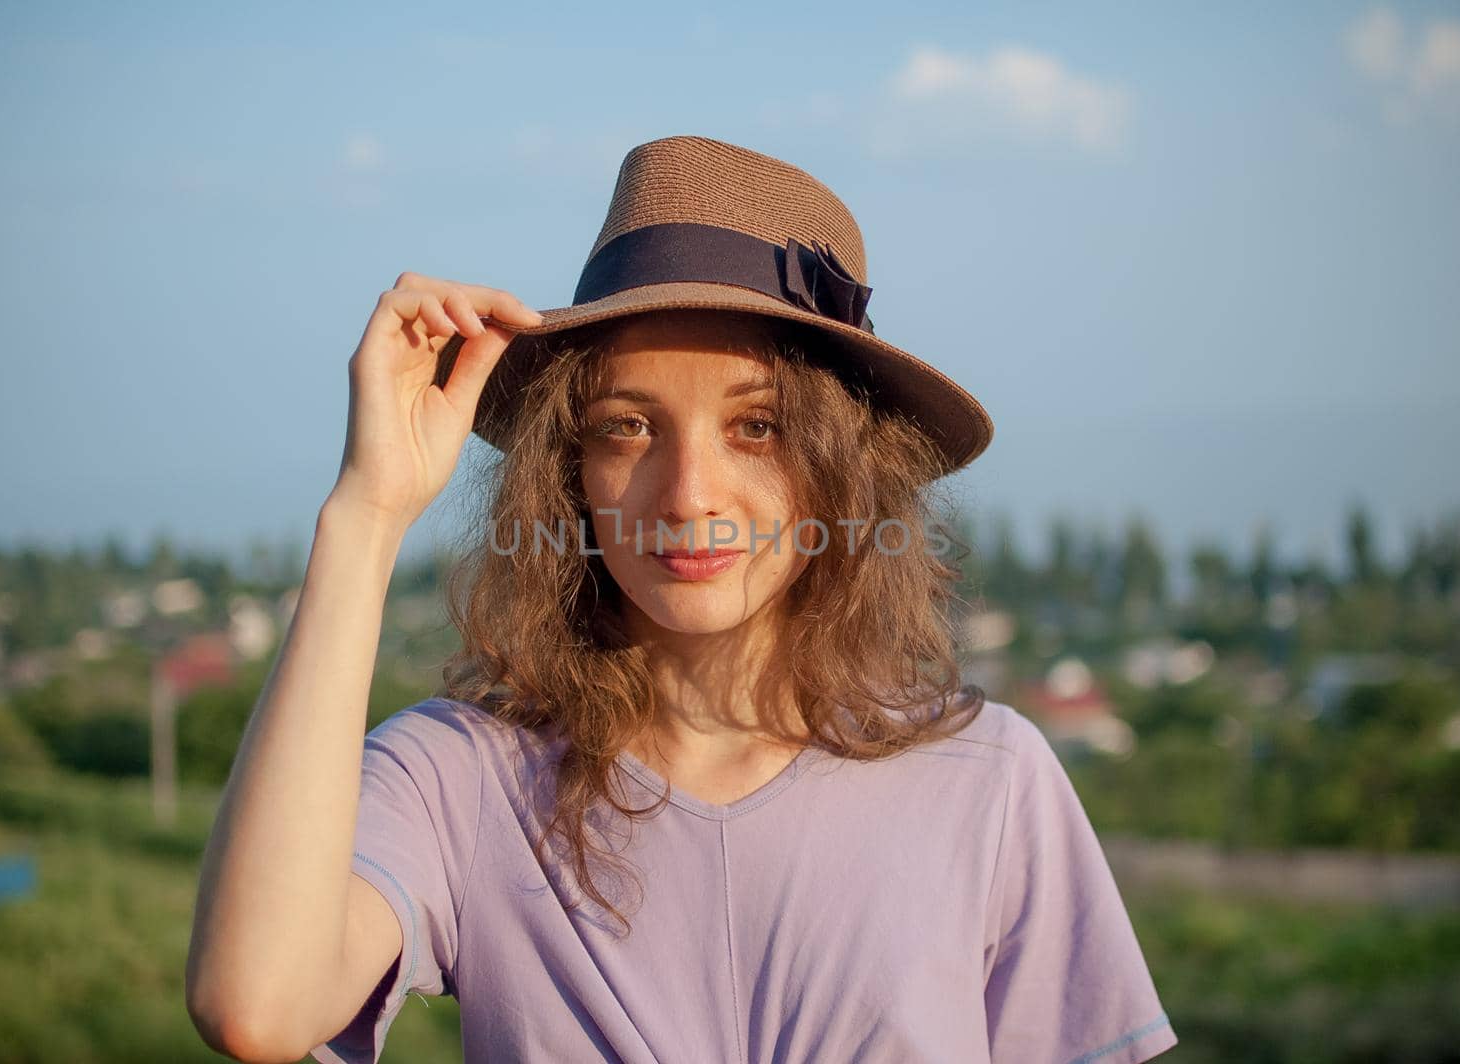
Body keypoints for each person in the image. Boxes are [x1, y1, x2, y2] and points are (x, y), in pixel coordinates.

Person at [185, 135, 1178, 1064]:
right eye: (627, 425)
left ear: (843, 463)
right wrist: (367, 512)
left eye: (756, 425)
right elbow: (258, 1002)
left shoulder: (988, 781)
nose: (689, 492)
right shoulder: (459, 778)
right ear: (567, 468)